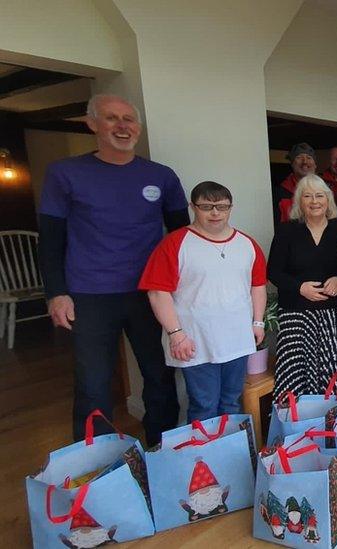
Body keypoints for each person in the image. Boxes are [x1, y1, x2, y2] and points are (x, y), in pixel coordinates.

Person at [38, 94, 188, 447]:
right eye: (111, 118)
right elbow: (50, 240)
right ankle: (98, 463)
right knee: (93, 383)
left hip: (149, 294)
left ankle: (161, 449)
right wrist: (56, 292)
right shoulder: (65, 173)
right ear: (92, 124)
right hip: (89, 294)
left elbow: (182, 238)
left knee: (160, 375)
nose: (122, 126)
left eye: (128, 119)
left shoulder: (161, 176)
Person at [139, 181, 267, 422]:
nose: (215, 213)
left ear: (231, 208)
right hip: (194, 341)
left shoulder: (247, 244)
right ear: (193, 207)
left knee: (231, 401)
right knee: (204, 405)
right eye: (207, 206)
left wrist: (258, 323)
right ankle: (202, 458)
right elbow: (157, 292)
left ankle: (228, 456)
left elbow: (257, 285)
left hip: (237, 339)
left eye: (221, 206)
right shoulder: (175, 243)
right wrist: (176, 334)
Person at [267, 175, 337, 403]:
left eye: (320, 195)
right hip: (296, 315)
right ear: (299, 201)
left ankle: (336, 427)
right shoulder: (287, 231)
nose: (314, 201)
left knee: (334, 372)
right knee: (295, 374)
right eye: (308, 196)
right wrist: (299, 288)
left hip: (334, 315)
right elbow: (274, 272)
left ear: (328, 200)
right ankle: (298, 429)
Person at [273, 143, 317, 232]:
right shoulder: (279, 193)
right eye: (299, 157)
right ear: (292, 164)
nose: (305, 162)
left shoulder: (326, 192)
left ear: (315, 165)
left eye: (309, 158)